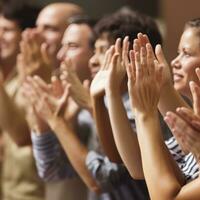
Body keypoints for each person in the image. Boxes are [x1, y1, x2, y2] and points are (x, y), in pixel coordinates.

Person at [0, 2, 84, 200]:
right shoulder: (30, 70)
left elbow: (23, 136)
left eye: (50, 28)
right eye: (37, 27)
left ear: (72, 33)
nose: (35, 35)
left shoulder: (77, 83)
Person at [0, 1, 45, 200]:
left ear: (27, 35)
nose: (0, 36)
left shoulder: (40, 74)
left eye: (7, 30)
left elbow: (21, 136)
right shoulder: (7, 78)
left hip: (31, 192)